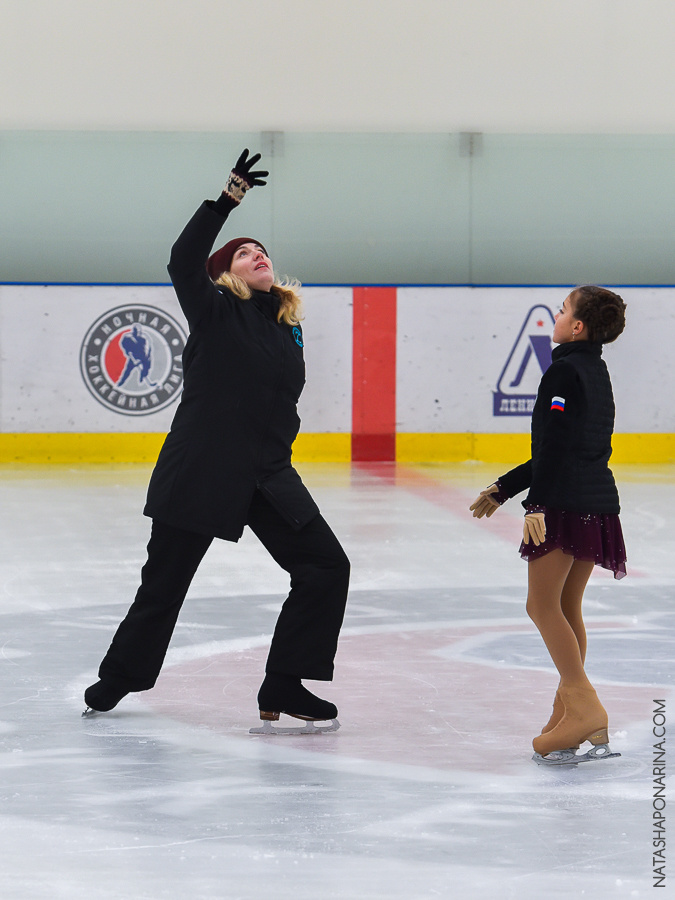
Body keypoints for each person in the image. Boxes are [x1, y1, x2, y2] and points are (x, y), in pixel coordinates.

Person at [84, 149, 350, 732]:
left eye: (264, 251)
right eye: (244, 252)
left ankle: (285, 679)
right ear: (227, 272)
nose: (259, 255)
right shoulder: (213, 310)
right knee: (166, 583)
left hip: (269, 475)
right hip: (203, 470)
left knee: (327, 567)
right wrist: (226, 200)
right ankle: (120, 676)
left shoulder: (288, 330)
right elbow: (183, 259)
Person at [469, 285, 627, 764]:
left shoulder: (561, 371)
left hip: (563, 502)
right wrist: (505, 487)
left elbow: (555, 446)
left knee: (541, 605)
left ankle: (584, 706)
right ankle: (566, 712)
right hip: (596, 502)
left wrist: (535, 504)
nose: (556, 316)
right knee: (565, 605)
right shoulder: (594, 370)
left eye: (562, 310)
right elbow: (570, 444)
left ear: (576, 326)